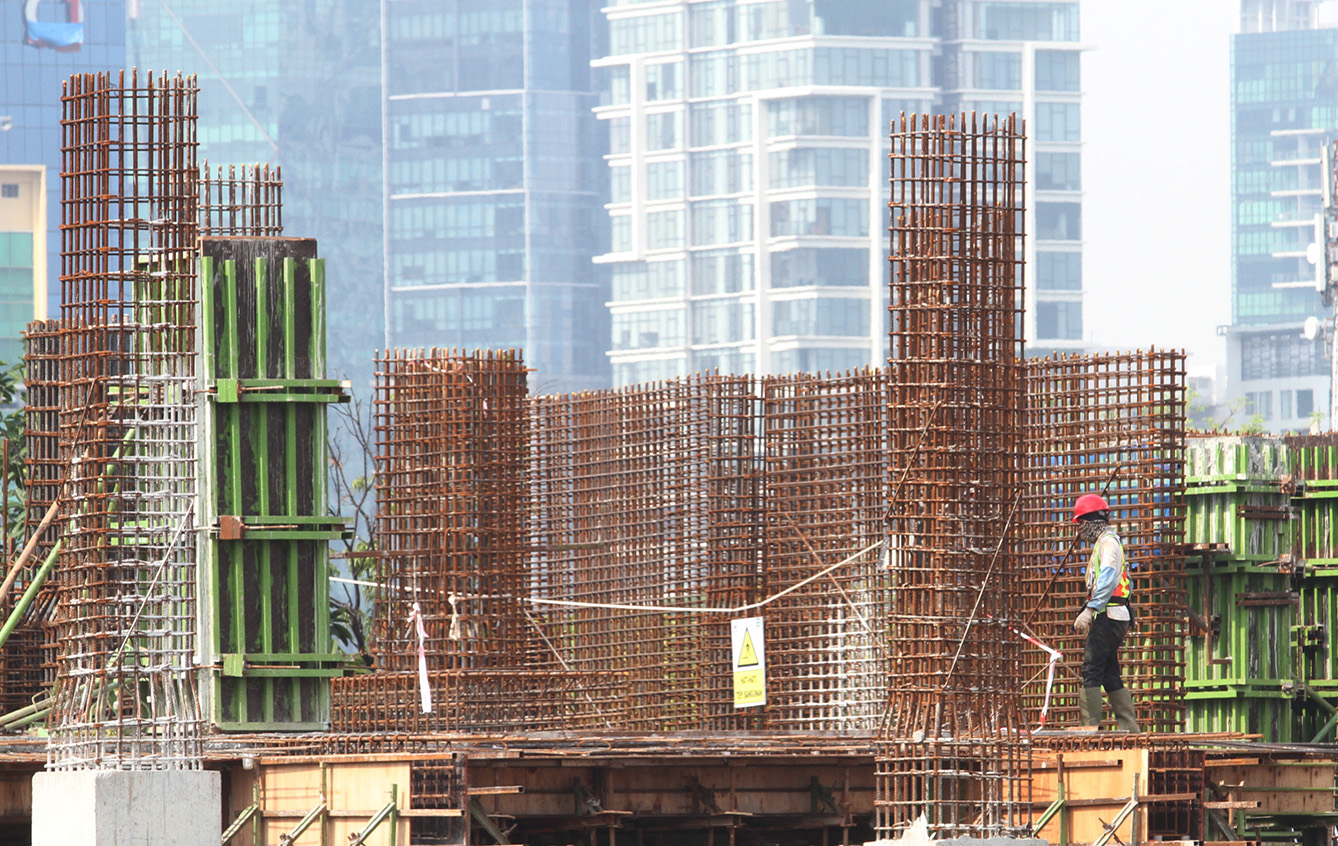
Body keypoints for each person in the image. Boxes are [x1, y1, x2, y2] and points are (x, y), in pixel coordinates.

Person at [1072, 493, 1139, 731]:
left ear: (1091, 521)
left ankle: (1089, 726)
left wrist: (1090, 609)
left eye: (1081, 523)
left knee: (1091, 667)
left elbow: (1109, 578)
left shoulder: (1108, 543)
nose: (1080, 529)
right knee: (1109, 672)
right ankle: (1129, 727)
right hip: (1113, 614)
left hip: (1109, 615)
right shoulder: (1105, 543)